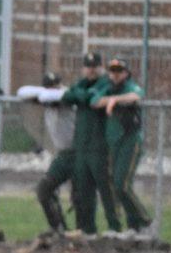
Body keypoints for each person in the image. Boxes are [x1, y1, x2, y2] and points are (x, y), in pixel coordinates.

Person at [61, 52, 121, 238]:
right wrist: (81, 94)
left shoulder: (105, 83)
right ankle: (87, 229)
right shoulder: (81, 83)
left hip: (100, 145)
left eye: (94, 66)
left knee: (105, 187)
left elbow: (90, 98)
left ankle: (114, 227)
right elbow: (67, 96)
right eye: (88, 66)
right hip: (82, 145)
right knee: (83, 188)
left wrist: (82, 95)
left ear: (100, 67)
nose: (91, 70)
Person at [91, 57, 153, 237]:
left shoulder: (129, 86)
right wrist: (110, 99)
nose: (115, 75)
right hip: (114, 142)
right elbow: (95, 101)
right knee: (116, 185)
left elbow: (136, 96)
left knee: (122, 184)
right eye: (112, 71)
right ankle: (133, 226)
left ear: (126, 73)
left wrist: (114, 101)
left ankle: (145, 221)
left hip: (130, 140)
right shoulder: (107, 87)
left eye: (119, 71)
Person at [29, 72, 76, 235]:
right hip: (63, 154)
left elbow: (59, 98)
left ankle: (84, 233)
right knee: (45, 190)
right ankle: (59, 229)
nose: (52, 90)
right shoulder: (46, 99)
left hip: (78, 153)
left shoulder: (68, 96)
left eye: (55, 86)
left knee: (80, 197)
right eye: (49, 87)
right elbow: (26, 93)